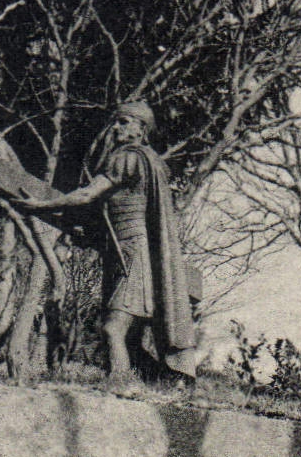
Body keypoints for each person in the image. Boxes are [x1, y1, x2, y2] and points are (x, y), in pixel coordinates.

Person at [18, 101, 199, 386]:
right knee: (129, 339)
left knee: (113, 328)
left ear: (141, 129)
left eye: (124, 122)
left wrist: (42, 205)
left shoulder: (127, 157)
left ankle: (121, 383)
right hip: (127, 252)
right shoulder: (152, 161)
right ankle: (167, 382)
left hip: (132, 255)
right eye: (117, 121)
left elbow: (87, 195)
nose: (116, 127)